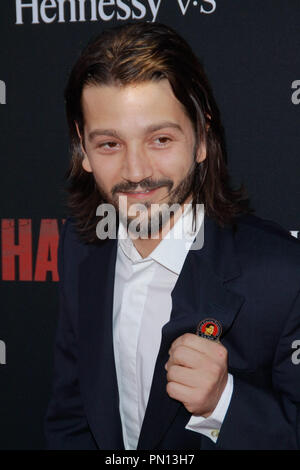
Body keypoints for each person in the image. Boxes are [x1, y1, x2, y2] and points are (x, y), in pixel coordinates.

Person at [44, 22, 300, 450]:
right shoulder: (80, 247)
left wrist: (223, 403)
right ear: (82, 150)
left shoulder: (283, 274)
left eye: (160, 139)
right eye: (109, 144)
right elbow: (72, 416)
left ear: (201, 138)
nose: (136, 171)